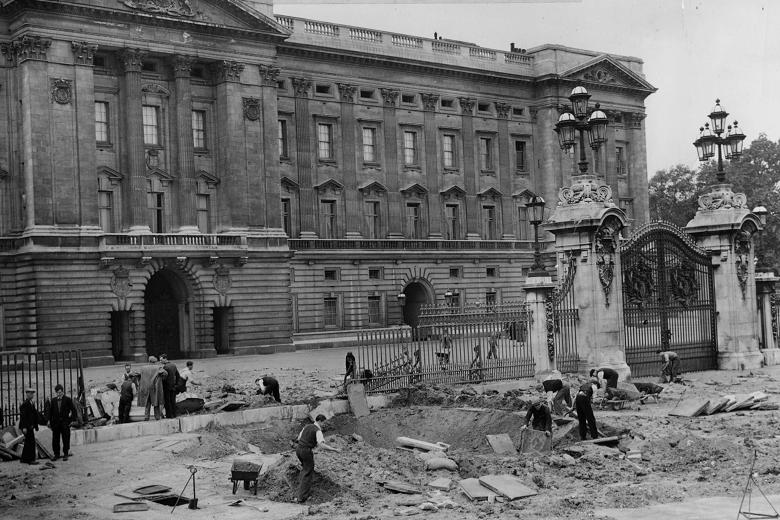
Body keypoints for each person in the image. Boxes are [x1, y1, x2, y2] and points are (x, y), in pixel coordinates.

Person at [294, 414, 340, 503]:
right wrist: (334, 449)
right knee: (308, 472)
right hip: (306, 451)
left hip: (298, 449)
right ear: (320, 421)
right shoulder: (317, 431)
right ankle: (301, 497)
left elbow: (299, 438)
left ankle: (300, 491)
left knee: (305, 469)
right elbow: (321, 445)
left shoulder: (307, 426)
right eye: (324, 422)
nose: (324, 425)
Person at [48, 383, 78, 461]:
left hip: (65, 422)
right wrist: (49, 421)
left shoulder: (67, 399)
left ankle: (65, 454)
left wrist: (71, 420)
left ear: (63, 392)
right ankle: (56, 454)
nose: (59, 394)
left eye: (60, 392)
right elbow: (50, 412)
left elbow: (74, 410)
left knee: (66, 438)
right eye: (58, 392)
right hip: (56, 423)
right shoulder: (53, 400)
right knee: (55, 439)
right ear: (56, 393)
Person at [138, 356, 167, 421]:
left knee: (147, 404)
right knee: (156, 403)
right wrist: (161, 378)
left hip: (146, 388)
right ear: (155, 362)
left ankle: (146, 417)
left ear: (149, 361)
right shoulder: (158, 367)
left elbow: (139, 375)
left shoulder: (143, 368)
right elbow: (165, 373)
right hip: (154, 388)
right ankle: (157, 417)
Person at [18, 388, 39, 465]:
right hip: (27, 427)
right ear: (27, 394)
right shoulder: (25, 404)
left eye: (32, 393)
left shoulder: (31, 402)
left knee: (28, 442)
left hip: (30, 426)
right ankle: (31, 460)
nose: (32, 395)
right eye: (30, 393)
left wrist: (35, 425)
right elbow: (23, 417)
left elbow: (34, 415)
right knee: (31, 442)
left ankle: (24, 459)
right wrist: (24, 427)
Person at [159, 354, 180, 419]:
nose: (160, 361)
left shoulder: (165, 367)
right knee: (173, 401)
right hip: (173, 386)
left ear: (165, 358)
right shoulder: (173, 365)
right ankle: (174, 414)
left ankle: (169, 415)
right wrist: (176, 384)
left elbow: (164, 378)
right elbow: (178, 375)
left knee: (167, 402)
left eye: (161, 360)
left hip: (166, 387)